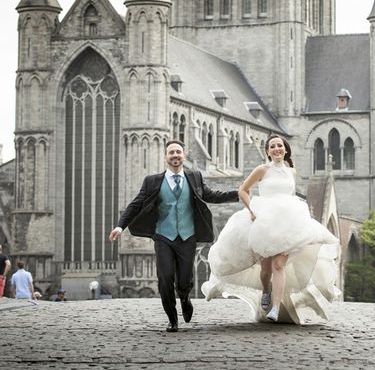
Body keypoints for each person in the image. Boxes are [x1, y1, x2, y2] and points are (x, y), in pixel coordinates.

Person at [201, 134, 340, 324]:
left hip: (287, 222)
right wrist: (250, 210)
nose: (277, 149)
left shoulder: (292, 172)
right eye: (273, 146)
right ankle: (266, 290)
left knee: (279, 265)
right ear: (267, 151)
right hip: (265, 221)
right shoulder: (262, 169)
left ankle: (275, 308)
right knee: (266, 270)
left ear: (285, 149)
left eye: (280, 146)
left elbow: (289, 196)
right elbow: (243, 189)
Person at [108, 140, 239, 332]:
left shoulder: (194, 177)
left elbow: (212, 195)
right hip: (163, 236)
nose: (175, 155)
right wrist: (120, 226)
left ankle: (185, 298)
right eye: (171, 152)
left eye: (178, 152)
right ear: (166, 157)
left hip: (187, 236)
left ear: (184, 156)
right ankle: (172, 318)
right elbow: (136, 204)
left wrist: (237, 193)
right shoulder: (152, 181)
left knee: (184, 280)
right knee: (165, 277)